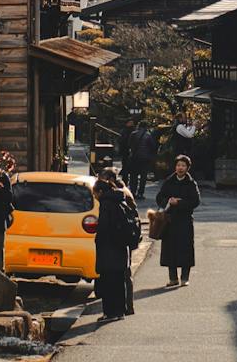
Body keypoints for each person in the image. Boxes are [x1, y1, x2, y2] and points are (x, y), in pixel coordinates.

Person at [92, 168, 140, 322]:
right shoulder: (120, 199)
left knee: (108, 283)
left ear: (100, 191)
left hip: (109, 249)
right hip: (121, 248)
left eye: (95, 193)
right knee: (119, 282)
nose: (94, 196)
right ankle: (120, 311)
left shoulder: (106, 205)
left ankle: (110, 313)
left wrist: (98, 239)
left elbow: (105, 228)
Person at [155, 153, 201, 287]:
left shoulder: (191, 183)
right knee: (170, 249)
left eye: (183, 165)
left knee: (186, 248)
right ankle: (173, 278)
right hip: (170, 221)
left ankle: (185, 277)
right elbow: (159, 198)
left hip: (185, 221)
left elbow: (196, 201)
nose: (180, 168)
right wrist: (168, 201)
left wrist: (180, 203)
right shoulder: (169, 181)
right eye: (178, 165)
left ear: (187, 168)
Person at [125, 122, 157, 195]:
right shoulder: (148, 135)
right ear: (146, 126)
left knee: (133, 176)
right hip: (145, 158)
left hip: (134, 158)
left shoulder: (133, 134)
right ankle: (140, 193)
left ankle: (133, 191)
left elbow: (129, 144)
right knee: (143, 176)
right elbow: (153, 146)